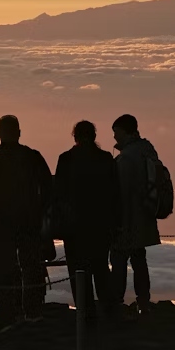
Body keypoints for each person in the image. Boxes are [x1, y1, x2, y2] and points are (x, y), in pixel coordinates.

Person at [0, 115, 54, 327]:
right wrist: (40, 212)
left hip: (1, 223)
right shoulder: (32, 157)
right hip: (29, 222)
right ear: (19, 132)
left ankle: (7, 311)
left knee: (3, 268)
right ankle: (33, 310)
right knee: (31, 266)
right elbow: (48, 188)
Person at [54, 120, 121, 323]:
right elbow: (114, 192)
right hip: (101, 224)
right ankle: (108, 311)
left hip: (74, 226)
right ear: (94, 136)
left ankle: (85, 314)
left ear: (75, 136)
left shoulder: (66, 159)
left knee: (78, 271)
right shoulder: (106, 158)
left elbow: (58, 193)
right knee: (101, 268)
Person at [110, 114, 162, 312]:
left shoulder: (126, 158)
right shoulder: (148, 151)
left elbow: (119, 192)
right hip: (145, 216)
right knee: (140, 259)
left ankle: (117, 302)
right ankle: (143, 300)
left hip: (126, 220)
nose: (115, 138)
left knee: (118, 260)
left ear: (125, 131)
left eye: (117, 133)